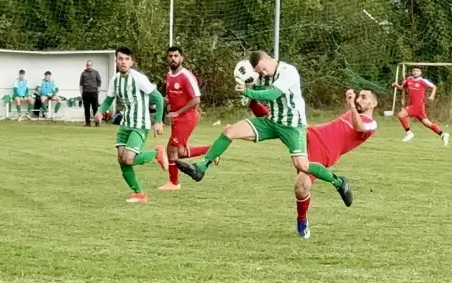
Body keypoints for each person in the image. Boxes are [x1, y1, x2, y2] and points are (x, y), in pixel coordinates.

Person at [176, 51, 353, 206]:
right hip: (270, 121)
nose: (262, 73)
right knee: (228, 132)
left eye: (263, 69)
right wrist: (247, 90)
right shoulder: (259, 74)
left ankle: (338, 182)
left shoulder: (288, 72)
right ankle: (200, 169)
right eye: (259, 71)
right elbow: (257, 89)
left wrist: (247, 92)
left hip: (292, 126)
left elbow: (271, 93)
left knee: (302, 165)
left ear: (269, 58)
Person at [294, 89, 377, 239]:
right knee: (283, 124)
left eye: (363, 97)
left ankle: (302, 220)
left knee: (301, 187)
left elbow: (360, 128)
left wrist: (351, 106)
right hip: (311, 134)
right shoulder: (351, 114)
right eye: (358, 97)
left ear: (373, 104)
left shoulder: (371, 124)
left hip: (324, 151)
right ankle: (254, 102)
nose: (358, 100)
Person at [94, 46, 168, 203]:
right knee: (121, 160)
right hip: (124, 124)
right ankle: (139, 194)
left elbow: (159, 98)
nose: (123, 62)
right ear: (116, 60)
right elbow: (108, 100)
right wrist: (100, 111)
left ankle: (157, 153)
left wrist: (159, 121)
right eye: (120, 59)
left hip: (140, 124)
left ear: (131, 62)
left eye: (127, 59)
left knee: (128, 159)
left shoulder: (139, 79)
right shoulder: (115, 80)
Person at [158, 46, 216, 191]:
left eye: (176, 56)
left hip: (187, 118)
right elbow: (171, 95)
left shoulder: (186, 76)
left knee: (171, 150)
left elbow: (196, 99)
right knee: (181, 152)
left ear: (181, 58)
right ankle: (212, 151)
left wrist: (178, 113)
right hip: (177, 119)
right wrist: (165, 101)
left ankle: (174, 183)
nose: (173, 59)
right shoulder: (169, 75)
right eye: (170, 56)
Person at [391, 67, 450, 146]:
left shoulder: (423, 81)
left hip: (417, 105)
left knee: (400, 115)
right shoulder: (409, 80)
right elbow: (402, 88)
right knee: (427, 123)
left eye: (417, 71)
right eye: (414, 70)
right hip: (416, 106)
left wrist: (432, 96)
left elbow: (434, 87)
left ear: (420, 73)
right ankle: (443, 134)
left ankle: (409, 133)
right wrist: (396, 85)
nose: (415, 72)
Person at [79, 60, 102, 127]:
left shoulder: (96, 72)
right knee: (86, 109)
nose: (89, 66)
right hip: (86, 93)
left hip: (94, 92)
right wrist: (81, 91)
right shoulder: (83, 73)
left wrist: (99, 89)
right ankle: (88, 123)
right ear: (86, 65)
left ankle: (97, 123)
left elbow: (99, 81)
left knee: (95, 108)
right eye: (87, 65)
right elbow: (81, 83)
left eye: (90, 65)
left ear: (92, 65)